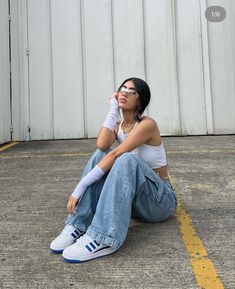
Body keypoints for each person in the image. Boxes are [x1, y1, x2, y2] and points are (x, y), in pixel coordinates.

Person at [50, 77, 177, 263]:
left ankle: (103, 238)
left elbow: (117, 154)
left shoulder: (147, 124)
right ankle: (79, 224)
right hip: (135, 202)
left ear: (139, 100)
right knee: (101, 153)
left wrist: (80, 187)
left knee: (125, 158)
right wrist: (112, 109)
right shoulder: (118, 126)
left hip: (160, 201)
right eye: (122, 89)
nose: (124, 92)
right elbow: (102, 145)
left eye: (131, 91)